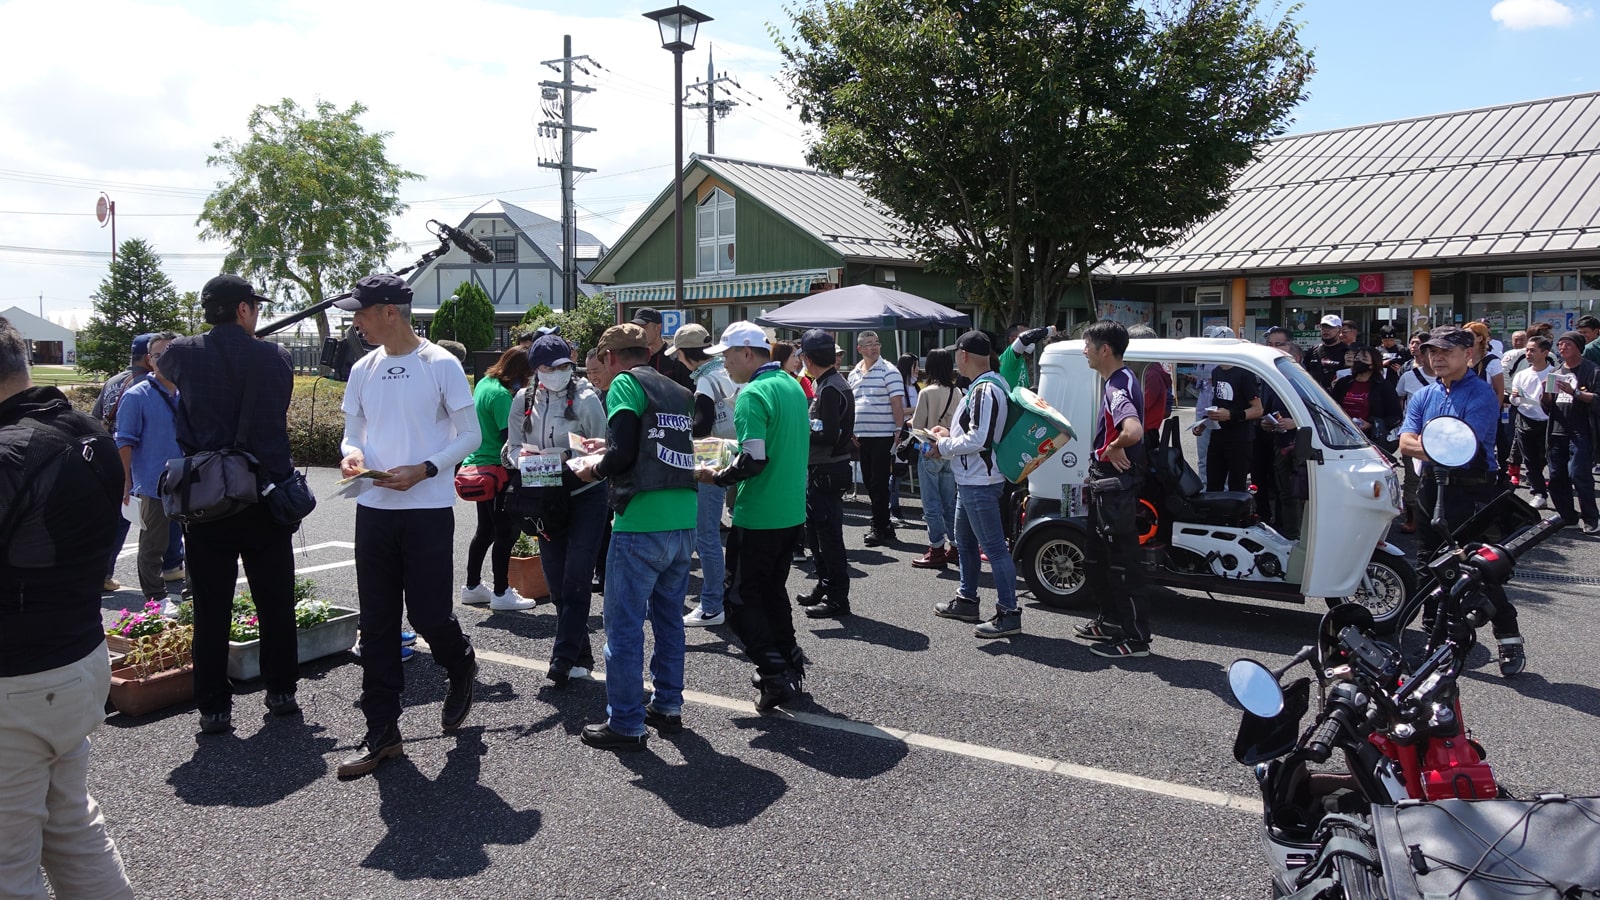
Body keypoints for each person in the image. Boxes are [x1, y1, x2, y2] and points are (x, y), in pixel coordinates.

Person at [0, 318, 136, 900]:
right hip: (79, 659)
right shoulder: (86, 431)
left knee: (9, 868)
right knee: (73, 827)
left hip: (17, 679)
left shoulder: (10, 452)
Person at [333, 274, 482, 778]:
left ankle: (460, 662)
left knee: (429, 615)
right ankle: (382, 733)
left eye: (362, 311)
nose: (355, 320)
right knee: (375, 624)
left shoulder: (440, 363)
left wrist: (426, 468)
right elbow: (353, 431)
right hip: (372, 507)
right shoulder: (362, 368)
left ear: (390, 311)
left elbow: (470, 434)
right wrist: (352, 455)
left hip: (426, 509)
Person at [160, 275, 301, 736]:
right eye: (253, 308)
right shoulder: (274, 357)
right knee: (275, 599)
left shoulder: (180, 353)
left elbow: (167, 371)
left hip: (206, 499)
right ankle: (281, 692)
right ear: (243, 310)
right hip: (263, 494)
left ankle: (214, 708)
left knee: (211, 605)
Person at [571, 324, 697, 750]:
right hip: (683, 516)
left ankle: (625, 722)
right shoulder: (676, 388)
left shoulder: (625, 384)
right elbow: (654, 442)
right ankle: (668, 705)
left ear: (609, 357)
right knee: (669, 622)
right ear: (645, 350)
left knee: (623, 629)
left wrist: (593, 468)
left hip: (641, 519)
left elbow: (623, 453)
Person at [1398, 326, 1526, 677]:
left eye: (1445, 352)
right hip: (1430, 486)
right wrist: (1438, 447)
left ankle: (1508, 635)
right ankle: (1432, 640)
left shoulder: (1482, 393)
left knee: (1478, 567)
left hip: (1472, 488)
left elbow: (1464, 451)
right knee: (1427, 563)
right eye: (1431, 351)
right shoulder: (1425, 395)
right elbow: (1405, 442)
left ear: (1468, 354)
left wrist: (1431, 445)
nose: (1436, 358)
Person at [697, 321, 810, 711]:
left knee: (740, 600)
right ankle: (789, 657)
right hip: (792, 509)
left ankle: (774, 670)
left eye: (726, 357)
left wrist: (716, 477)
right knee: (772, 590)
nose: (723, 366)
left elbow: (754, 460)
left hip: (759, 512)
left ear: (747, 353)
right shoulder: (793, 385)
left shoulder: (752, 394)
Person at [507, 332, 609, 684]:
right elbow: (511, 448)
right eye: (550, 367)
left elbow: (602, 450)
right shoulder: (523, 399)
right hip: (545, 499)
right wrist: (523, 458)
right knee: (556, 584)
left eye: (565, 365)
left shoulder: (587, 399)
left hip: (586, 495)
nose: (559, 371)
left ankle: (561, 658)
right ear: (536, 369)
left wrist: (566, 456)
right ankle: (581, 654)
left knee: (577, 578)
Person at [929, 331, 1021, 639]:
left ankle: (1009, 613)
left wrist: (943, 445)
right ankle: (967, 599)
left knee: (994, 548)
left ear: (964, 354)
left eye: (956, 353)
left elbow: (979, 438)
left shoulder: (984, 389)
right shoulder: (989, 385)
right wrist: (948, 435)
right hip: (972, 477)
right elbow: (977, 432)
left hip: (979, 480)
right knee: (965, 542)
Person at [1071, 321, 1153, 659]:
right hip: (1105, 486)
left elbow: (1133, 430)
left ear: (1104, 349)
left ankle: (1135, 640)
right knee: (1096, 559)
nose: (1084, 351)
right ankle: (1110, 621)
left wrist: (1114, 446)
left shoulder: (1118, 383)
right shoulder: (1118, 380)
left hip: (1116, 487)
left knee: (1121, 565)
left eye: (1087, 344)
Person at [93, 333, 183, 592]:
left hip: (188, 481)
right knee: (153, 544)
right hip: (153, 482)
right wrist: (126, 482)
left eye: (171, 353)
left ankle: (181, 580)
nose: (165, 360)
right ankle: (155, 598)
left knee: (188, 539)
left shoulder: (187, 391)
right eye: (158, 355)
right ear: (149, 360)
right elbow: (125, 442)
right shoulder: (137, 395)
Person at [669, 324, 739, 628]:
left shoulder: (706, 380)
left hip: (713, 458)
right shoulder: (727, 371)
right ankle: (729, 597)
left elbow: (701, 425)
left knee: (705, 536)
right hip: (740, 453)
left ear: (686, 355)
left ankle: (712, 604)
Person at [459, 345, 536, 611]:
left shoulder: (484, 384)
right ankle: (501, 592)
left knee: (485, 531)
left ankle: (472, 586)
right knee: (506, 532)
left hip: (478, 467)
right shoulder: (503, 396)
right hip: (498, 471)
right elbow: (510, 442)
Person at [796, 329, 857, 618]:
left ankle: (837, 599)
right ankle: (824, 585)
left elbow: (831, 433)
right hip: (831, 466)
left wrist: (801, 429)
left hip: (827, 467)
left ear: (808, 359)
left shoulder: (829, 387)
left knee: (828, 536)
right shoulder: (833, 382)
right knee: (817, 534)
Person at [848, 330, 907, 545]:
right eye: (869, 344)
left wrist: (898, 429)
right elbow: (853, 404)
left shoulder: (889, 370)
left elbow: (896, 403)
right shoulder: (853, 373)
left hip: (883, 434)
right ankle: (884, 524)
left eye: (877, 343)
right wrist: (852, 430)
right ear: (860, 349)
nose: (874, 347)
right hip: (862, 435)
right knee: (872, 483)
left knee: (878, 482)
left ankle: (878, 524)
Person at [1542, 331, 1600, 534]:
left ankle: (1591, 518)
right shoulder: (1557, 370)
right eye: (1560, 344)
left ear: (1578, 347)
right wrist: (1546, 394)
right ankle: (1568, 516)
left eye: (1567, 344)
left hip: (1581, 431)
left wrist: (1574, 392)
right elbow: (1548, 406)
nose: (1563, 347)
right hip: (1557, 430)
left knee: (1578, 474)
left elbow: (1597, 400)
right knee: (1556, 476)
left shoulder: (1592, 370)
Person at [910, 348, 961, 569]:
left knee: (931, 504)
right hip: (950, 451)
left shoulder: (926, 392)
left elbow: (919, 426)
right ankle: (956, 547)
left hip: (929, 450)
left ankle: (936, 548)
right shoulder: (957, 391)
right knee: (950, 504)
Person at [1392, 331, 1437, 532]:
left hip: (1440, 433)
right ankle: (1412, 518)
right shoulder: (1408, 375)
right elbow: (1398, 399)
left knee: (1440, 477)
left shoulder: (1449, 377)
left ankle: (1436, 516)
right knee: (1412, 477)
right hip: (1413, 433)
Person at [1201, 355, 1262, 493]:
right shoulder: (1216, 371)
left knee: (1237, 487)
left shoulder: (1244, 373)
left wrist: (1231, 415)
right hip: (1217, 437)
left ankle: (1237, 515)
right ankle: (1216, 514)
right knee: (1213, 486)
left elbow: (1258, 410)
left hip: (1240, 439)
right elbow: (1218, 405)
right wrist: (1204, 422)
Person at [1508, 335, 1553, 509]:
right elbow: (1515, 400)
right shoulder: (1521, 375)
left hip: (1548, 421)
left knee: (1546, 459)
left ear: (1545, 352)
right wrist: (1514, 398)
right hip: (1525, 419)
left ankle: (1554, 491)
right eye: (1527, 350)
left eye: (1533, 350)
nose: (1528, 353)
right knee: (1530, 460)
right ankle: (1539, 493)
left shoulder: (1554, 373)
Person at [1330, 345, 1401, 451]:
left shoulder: (1383, 386)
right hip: (1342, 437)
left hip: (1370, 440)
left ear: (1372, 365)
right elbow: (1332, 406)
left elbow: (1395, 416)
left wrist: (1372, 424)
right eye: (1357, 358)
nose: (1359, 362)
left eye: (1364, 359)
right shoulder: (1344, 383)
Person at [889, 352, 920, 526]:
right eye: (915, 366)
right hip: (903, 433)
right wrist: (917, 408)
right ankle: (893, 507)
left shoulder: (916, 387)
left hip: (916, 433)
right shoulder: (898, 386)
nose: (918, 370)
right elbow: (898, 410)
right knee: (897, 472)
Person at [630, 307, 693, 390]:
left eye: (644, 327)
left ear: (658, 328)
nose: (639, 332)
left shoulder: (676, 358)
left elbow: (689, 394)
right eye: (636, 328)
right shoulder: (634, 359)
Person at [1306, 314, 1350, 393]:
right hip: (1313, 395)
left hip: (1336, 398)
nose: (1326, 330)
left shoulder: (1347, 351)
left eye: (1330, 327)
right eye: (1323, 327)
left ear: (1339, 330)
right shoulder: (1312, 350)